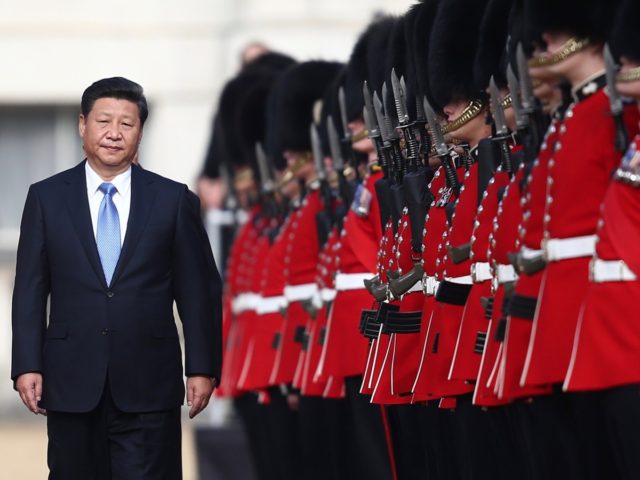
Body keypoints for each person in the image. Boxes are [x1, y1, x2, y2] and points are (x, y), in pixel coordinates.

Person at [11, 76, 222, 480]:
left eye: (127, 124)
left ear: (140, 132)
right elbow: (30, 290)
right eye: (104, 121)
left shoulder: (173, 200)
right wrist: (26, 364)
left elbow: (199, 292)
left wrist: (202, 366)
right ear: (82, 125)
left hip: (149, 382)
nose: (114, 133)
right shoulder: (47, 197)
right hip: (71, 380)